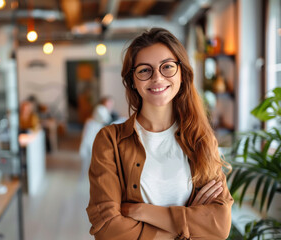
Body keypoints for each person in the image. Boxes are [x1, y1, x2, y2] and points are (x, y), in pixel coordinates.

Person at [86, 28, 233, 239]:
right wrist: (186, 227)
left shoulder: (201, 139)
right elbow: (108, 230)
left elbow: (219, 226)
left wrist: (143, 212)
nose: (157, 77)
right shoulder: (110, 140)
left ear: (181, 74)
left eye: (167, 67)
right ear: (133, 81)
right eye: (145, 70)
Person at [79, 96, 114, 178]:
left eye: (111, 103)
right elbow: (106, 121)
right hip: (93, 130)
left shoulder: (104, 109)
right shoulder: (101, 109)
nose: (111, 104)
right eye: (109, 102)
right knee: (92, 151)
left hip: (96, 130)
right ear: (104, 102)